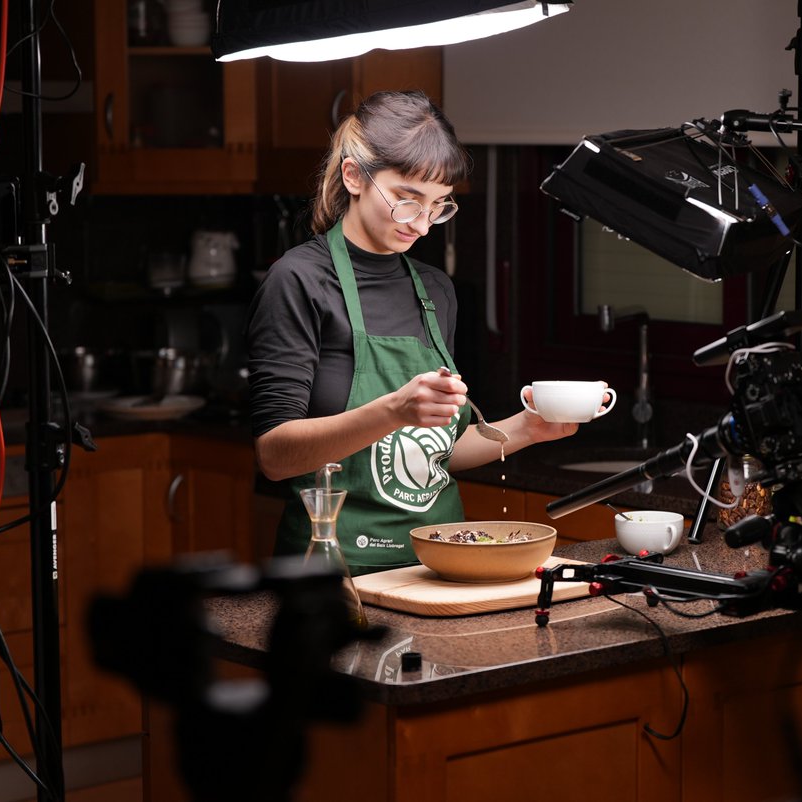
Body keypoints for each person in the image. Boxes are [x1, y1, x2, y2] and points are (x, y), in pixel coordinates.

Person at [246, 90, 580, 574]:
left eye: (439, 205)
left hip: (438, 566)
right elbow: (275, 455)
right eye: (407, 201)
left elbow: (435, 451)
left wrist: (526, 428)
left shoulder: (434, 290)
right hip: (335, 572)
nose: (422, 225)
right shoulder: (298, 282)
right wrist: (393, 410)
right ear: (354, 176)